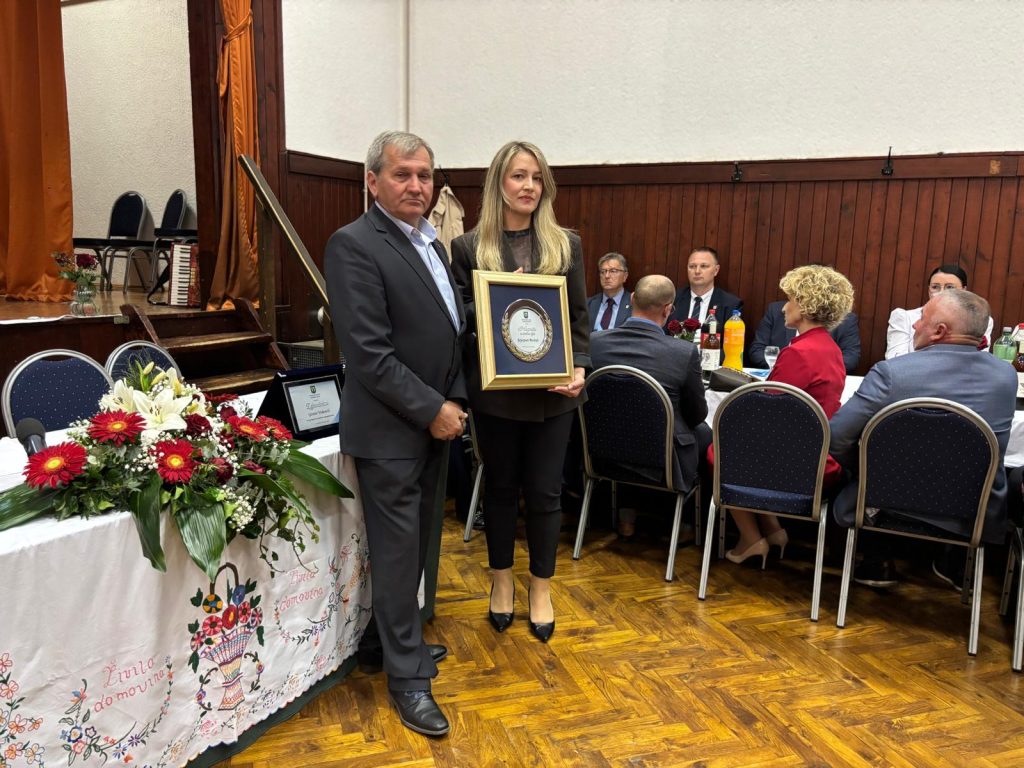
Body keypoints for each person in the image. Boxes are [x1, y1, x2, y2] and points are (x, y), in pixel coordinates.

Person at [324, 130, 466, 737]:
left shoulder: (431, 242)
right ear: (372, 181)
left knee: (414, 551)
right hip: (391, 431)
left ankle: (385, 645)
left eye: (424, 175)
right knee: (398, 554)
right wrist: (433, 408)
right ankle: (408, 681)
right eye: (402, 174)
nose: (416, 185)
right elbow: (369, 354)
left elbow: (450, 330)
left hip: (433, 424)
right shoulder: (354, 244)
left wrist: (454, 400)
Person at [451, 140, 589, 644]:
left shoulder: (566, 244)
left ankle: (542, 588)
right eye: (518, 176)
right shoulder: (468, 248)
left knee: (547, 492)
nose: (528, 186)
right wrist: (493, 297)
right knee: (501, 488)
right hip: (498, 395)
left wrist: (581, 367)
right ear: (499, 183)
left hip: (555, 393)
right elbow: (459, 317)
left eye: (536, 177)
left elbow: (578, 318)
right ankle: (502, 580)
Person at [830, 289, 1017, 587]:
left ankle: (876, 560)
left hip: (889, 501)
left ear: (939, 331)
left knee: (859, 464)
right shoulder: (1005, 377)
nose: (915, 325)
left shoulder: (892, 374)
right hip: (972, 510)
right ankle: (954, 564)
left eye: (922, 319)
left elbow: (837, 436)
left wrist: (868, 467)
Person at [722, 265, 853, 567]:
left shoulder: (799, 353)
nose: (784, 307)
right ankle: (773, 530)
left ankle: (750, 538)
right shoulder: (829, 348)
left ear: (805, 306)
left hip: (798, 460)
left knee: (723, 449)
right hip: (815, 449)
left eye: (791, 300)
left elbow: (770, 412)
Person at [589, 275, 711, 537]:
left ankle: (627, 514)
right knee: (704, 433)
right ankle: (688, 523)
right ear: (668, 310)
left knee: (628, 424)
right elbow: (697, 414)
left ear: (632, 299)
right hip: (663, 462)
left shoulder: (595, 342)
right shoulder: (682, 352)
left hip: (601, 452)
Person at [885, 264, 994, 358]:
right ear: (929, 289)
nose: (941, 292)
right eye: (935, 287)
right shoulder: (904, 317)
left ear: (963, 291)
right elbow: (895, 359)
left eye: (950, 287)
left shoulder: (979, 320)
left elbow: (979, 358)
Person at [750, 299, 862, 373]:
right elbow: (757, 350)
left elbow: (850, 358)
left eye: (791, 298)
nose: (784, 308)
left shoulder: (845, 320)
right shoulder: (775, 310)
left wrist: (800, 368)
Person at [666, 246, 743, 330]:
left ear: (716, 270)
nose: (697, 271)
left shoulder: (730, 304)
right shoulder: (672, 299)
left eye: (703, 266)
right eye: (692, 266)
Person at [587, 252, 631, 331]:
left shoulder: (633, 305)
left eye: (613, 271)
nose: (606, 276)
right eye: (603, 271)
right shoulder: (588, 304)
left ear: (625, 276)